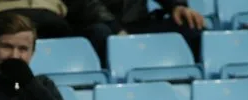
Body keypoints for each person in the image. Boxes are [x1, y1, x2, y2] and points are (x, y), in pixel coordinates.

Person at [66, 0, 205, 66]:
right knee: (101, 34)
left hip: (138, 23)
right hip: (98, 24)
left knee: (190, 27)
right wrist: (115, 28)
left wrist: (177, 6)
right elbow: (86, 5)